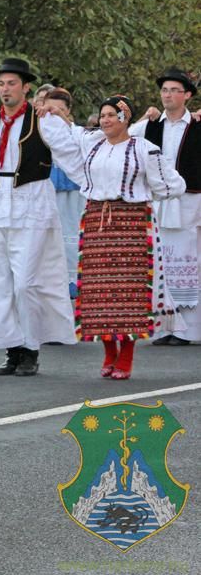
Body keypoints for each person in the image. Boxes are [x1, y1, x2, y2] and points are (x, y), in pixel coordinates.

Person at [41, 95, 186, 379]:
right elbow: (66, 132)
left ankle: (127, 356)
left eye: (111, 115)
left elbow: (172, 184)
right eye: (103, 115)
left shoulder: (144, 149)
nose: (105, 120)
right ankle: (109, 353)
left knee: (128, 292)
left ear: (125, 118)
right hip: (96, 220)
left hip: (131, 223)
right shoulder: (93, 143)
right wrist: (50, 113)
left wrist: (144, 197)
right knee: (98, 292)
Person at [0, 58, 77, 376]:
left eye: (11, 83)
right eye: (1, 84)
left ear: (25, 87)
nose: (5, 89)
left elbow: (73, 153)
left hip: (31, 202)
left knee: (26, 283)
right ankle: (12, 349)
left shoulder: (44, 120)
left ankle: (31, 348)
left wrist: (98, 186)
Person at [131, 68, 201, 346]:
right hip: (159, 204)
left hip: (189, 203)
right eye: (164, 90)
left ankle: (188, 330)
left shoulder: (196, 124)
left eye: (174, 90)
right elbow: (120, 136)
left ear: (187, 95)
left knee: (188, 262)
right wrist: (141, 117)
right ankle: (164, 327)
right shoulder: (150, 125)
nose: (168, 95)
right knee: (160, 264)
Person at [43, 88, 84, 297]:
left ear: (68, 111)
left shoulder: (75, 132)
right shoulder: (40, 128)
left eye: (60, 109)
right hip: (46, 186)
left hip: (72, 188)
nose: (54, 112)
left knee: (71, 230)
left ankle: (73, 280)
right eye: (50, 107)